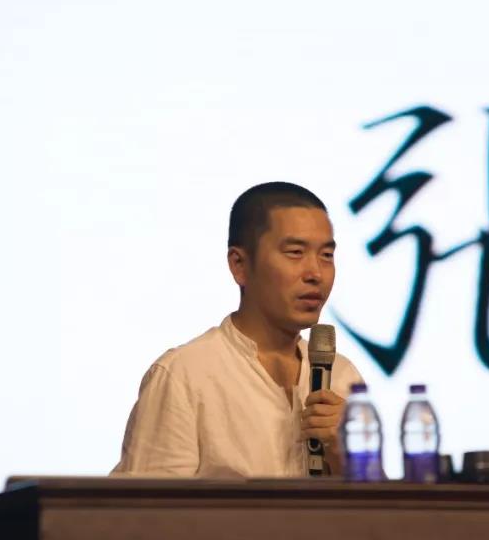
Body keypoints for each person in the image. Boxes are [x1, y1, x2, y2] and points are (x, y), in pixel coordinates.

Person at [111, 182, 363, 477]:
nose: (316, 273)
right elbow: (148, 504)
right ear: (239, 265)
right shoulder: (184, 375)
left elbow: (381, 504)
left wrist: (345, 457)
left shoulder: (343, 377)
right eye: (295, 252)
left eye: (327, 255)